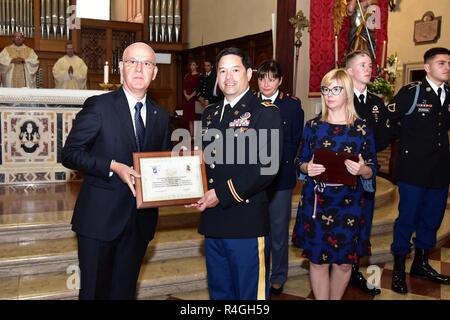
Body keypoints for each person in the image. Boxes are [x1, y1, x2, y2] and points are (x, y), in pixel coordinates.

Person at [62, 42, 171, 300]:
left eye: (147, 63)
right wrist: (112, 166)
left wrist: (183, 185)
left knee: (124, 293)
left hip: (139, 222)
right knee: (94, 293)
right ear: (121, 67)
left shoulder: (161, 116)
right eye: (133, 61)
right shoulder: (99, 106)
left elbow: (160, 166)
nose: (139, 68)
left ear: (154, 73)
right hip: (99, 220)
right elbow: (70, 154)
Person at [189, 47, 281, 300]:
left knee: (250, 297)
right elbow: (205, 161)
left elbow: (266, 169)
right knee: (220, 294)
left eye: (235, 70)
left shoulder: (265, 112)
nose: (228, 77)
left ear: (249, 74)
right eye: (222, 71)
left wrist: (220, 193)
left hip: (245, 222)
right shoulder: (209, 115)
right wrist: (190, 186)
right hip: (213, 221)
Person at [294, 68, 377, 300]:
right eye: (326, 89)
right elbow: (300, 161)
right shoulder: (312, 127)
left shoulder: (361, 129)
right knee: (319, 262)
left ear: (347, 92)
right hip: (317, 203)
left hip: (349, 205)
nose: (329, 94)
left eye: (336, 89)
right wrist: (306, 168)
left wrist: (363, 170)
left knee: (343, 264)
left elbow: (372, 167)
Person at [387, 47, 450, 294]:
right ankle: (400, 268)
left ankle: (421, 264)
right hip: (413, 169)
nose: (447, 67)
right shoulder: (411, 93)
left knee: (432, 218)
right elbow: (390, 120)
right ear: (427, 67)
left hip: (440, 170)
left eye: (449, 63)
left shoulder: (449, 94)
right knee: (407, 219)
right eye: (442, 63)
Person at [345, 50, 392, 295]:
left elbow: (385, 132)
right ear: (350, 71)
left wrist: (370, 155)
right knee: (343, 221)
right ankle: (340, 266)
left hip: (366, 173)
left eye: (370, 64)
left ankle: (354, 269)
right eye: (363, 64)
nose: (369, 68)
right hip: (343, 173)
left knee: (364, 220)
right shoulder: (340, 97)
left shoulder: (375, 102)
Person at [256, 59, 304, 295]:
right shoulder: (250, 103)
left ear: (280, 81)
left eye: (271, 78)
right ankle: (260, 275)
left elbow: (295, 141)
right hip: (253, 180)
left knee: (277, 231)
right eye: (262, 78)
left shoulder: (292, 106)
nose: (266, 83)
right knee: (257, 232)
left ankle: (278, 276)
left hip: (281, 180)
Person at [182, 61, 200, 134]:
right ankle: (191, 134)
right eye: (191, 65)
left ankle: (196, 135)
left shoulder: (199, 76)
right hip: (187, 99)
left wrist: (190, 96)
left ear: (196, 66)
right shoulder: (187, 75)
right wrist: (186, 95)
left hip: (194, 99)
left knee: (195, 117)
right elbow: (184, 87)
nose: (192, 66)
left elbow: (198, 89)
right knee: (189, 118)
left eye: (193, 65)